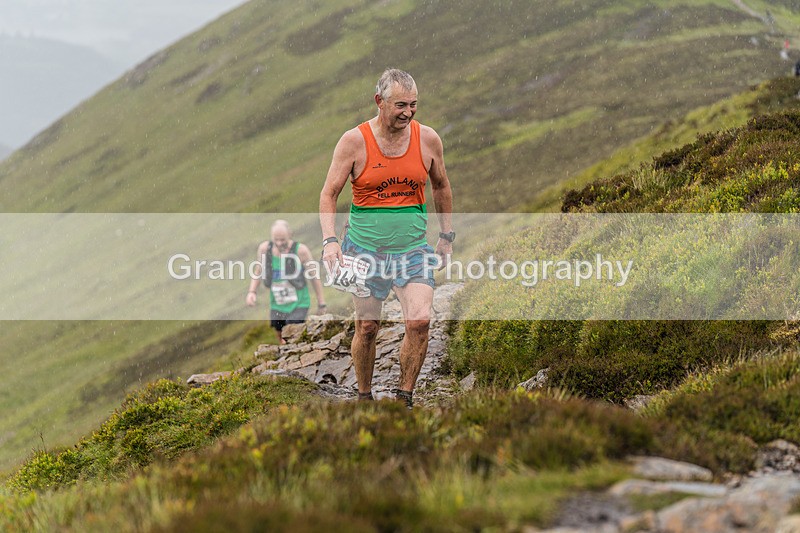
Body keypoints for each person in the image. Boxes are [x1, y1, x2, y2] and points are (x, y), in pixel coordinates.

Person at [319, 68, 454, 408]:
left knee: (420, 321)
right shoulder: (354, 142)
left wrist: (446, 235)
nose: (408, 112)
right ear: (379, 102)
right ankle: (364, 396)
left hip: (413, 250)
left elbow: (440, 186)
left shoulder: (428, 140)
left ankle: (403, 399)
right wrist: (330, 241)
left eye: (414, 105)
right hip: (364, 251)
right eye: (400, 105)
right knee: (367, 327)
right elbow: (328, 194)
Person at [246, 220, 327, 344]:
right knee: (280, 334)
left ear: (290, 235)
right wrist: (252, 292)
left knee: (292, 332)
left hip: (299, 302)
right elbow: (258, 270)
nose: (279, 243)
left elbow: (314, 277)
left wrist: (321, 303)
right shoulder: (264, 249)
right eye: (276, 240)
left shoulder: (301, 251)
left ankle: (297, 357)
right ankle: (287, 358)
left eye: (282, 240)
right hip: (277, 303)